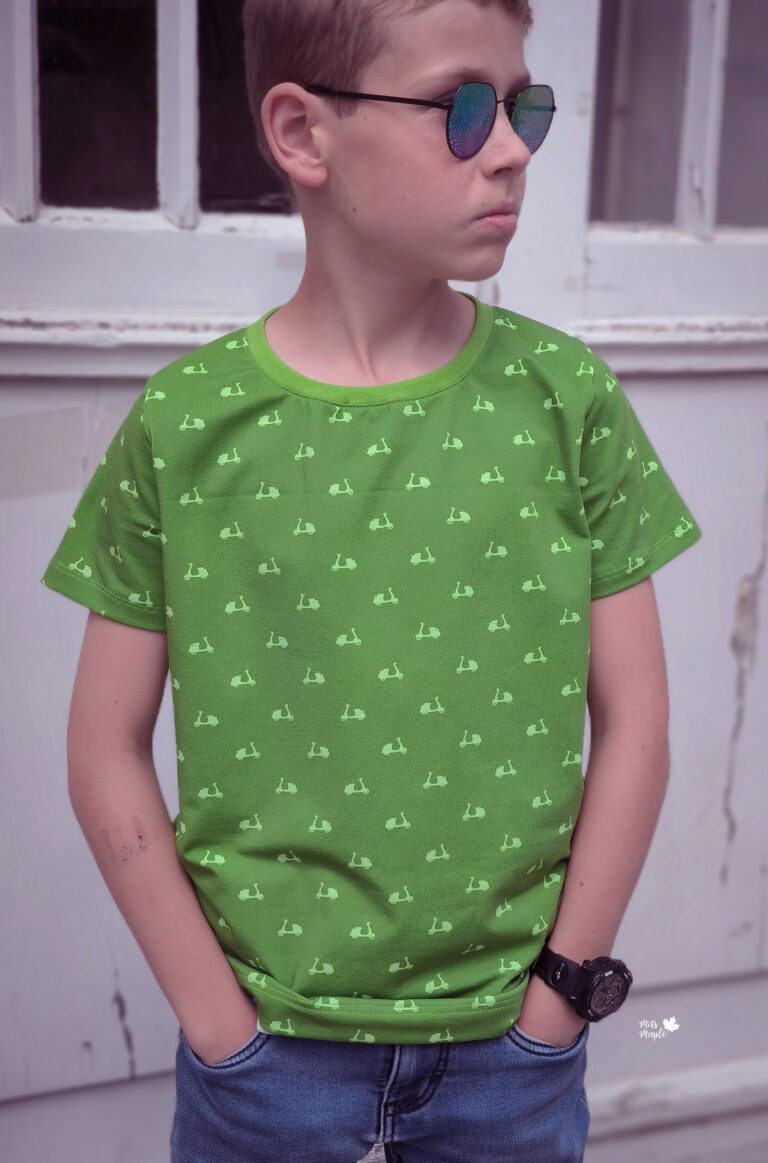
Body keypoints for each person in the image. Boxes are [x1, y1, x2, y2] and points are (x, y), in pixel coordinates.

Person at [40, 1, 702, 1160]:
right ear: (303, 132)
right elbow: (102, 744)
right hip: (265, 1063)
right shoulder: (187, 425)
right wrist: (221, 1027)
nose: (512, 148)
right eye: (463, 107)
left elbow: (638, 723)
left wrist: (558, 1000)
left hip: (512, 1054)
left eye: (524, 106)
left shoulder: (569, 402)